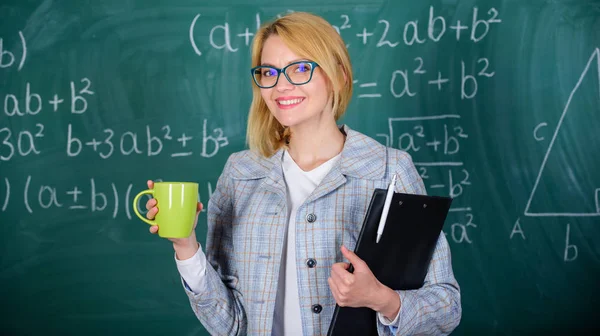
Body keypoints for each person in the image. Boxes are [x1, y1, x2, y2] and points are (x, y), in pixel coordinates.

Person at [144, 11, 461, 336]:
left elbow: (445, 306)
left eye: (299, 68)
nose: (281, 86)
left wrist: (381, 299)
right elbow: (231, 325)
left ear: (337, 75)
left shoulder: (388, 170)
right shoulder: (240, 174)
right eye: (269, 72)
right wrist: (186, 246)